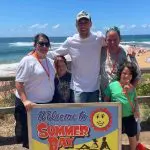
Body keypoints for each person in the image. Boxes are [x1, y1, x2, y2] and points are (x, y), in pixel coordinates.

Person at [47, 10, 105, 103]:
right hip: (78, 89)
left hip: (94, 88)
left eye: (85, 22)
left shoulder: (98, 38)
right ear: (76, 25)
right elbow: (55, 53)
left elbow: (112, 45)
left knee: (92, 117)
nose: (83, 25)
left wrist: (129, 48)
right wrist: (37, 54)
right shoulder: (71, 41)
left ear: (91, 24)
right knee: (79, 117)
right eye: (80, 23)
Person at [100, 26, 141, 142]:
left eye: (115, 39)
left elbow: (137, 74)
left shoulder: (126, 53)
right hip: (107, 97)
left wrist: (131, 89)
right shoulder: (101, 51)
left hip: (124, 97)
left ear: (120, 39)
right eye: (109, 40)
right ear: (105, 40)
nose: (112, 42)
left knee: (133, 128)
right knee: (109, 128)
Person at [14, 33, 55, 148]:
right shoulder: (27, 61)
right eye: (41, 43)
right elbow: (19, 82)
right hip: (30, 106)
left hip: (46, 105)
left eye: (47, 44)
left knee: (42, 137)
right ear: (35, 45)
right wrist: (25, 100)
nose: (44, 46)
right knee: (30, 139)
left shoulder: (50, 61)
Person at [104, 62, 139, 150]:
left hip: (129, 116)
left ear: (132, 76)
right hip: (115, 117)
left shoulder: (132, 88)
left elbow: (135, 101)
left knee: (132, 136)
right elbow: (106, 100)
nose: (126, 76)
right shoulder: (112, 85)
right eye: (124, 73)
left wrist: (137, 111)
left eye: (130, 74)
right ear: (120, 73)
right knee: (115, 136)